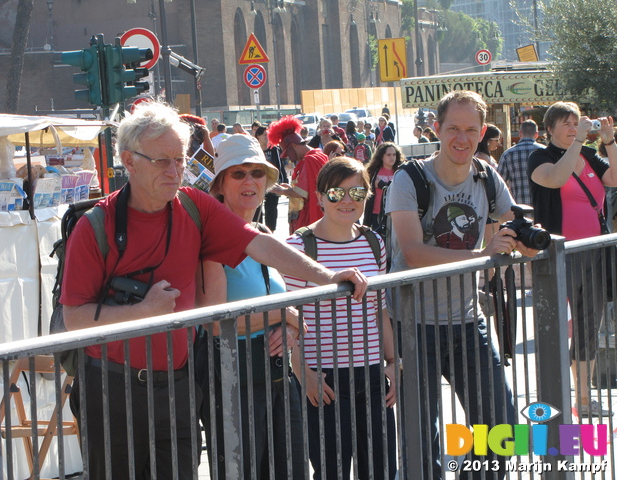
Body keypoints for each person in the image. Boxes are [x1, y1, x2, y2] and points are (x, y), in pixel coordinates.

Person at [60, 102, 368, 480]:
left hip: (178, 384)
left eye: (180, 159)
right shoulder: (95, 226)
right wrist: (145, 310)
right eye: (163, 162)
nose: (175, 171)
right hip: (110, 388)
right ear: (130, 160)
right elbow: (74, 319)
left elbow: (259, 244)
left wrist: (328, 278)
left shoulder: (194, 206)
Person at [386, 90, 539, 479]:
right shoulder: (410, 178)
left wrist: (529, 239)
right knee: (423, 444)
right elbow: (414, 252)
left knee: (502, 430)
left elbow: (521, 235)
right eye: (453, 127)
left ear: (483, 132)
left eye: (471, 129)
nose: (462, 137)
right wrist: (486, 254)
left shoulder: (486, 176)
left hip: (467, 320)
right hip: (412, 325)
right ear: (436, 128)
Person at [198, 134, 306, 479]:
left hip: (277, 376)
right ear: (220, 184)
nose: (250, 182)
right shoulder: (211, 241)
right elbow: (214, 322)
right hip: (233, 382)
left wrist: (291, 325)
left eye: (257, 173)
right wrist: (281, 315)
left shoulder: (264, 233)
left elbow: (286, 307)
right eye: (238, 173)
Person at [285, 156, 397, 480]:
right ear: (319, 197)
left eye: (357, 193)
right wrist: (302, 372)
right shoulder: (299, 247)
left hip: (373, 376)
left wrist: (393, 362)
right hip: (325, 380)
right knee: (331, 471)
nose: (347, 201)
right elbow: (286, 318)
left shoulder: (374, 243)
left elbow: (380, 309)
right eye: (336, 193)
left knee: (381, 470)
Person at [528, 101, 617, 418]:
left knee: (588, 330)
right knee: (556, 329)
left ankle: (583, 399)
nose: (572, 128)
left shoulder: (589, 156)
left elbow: (614, 178)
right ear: (549, 128)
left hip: (593, 255)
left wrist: (608, 140)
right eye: (565, 123)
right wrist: (578, 141)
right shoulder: (540, 156)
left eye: (577, 122)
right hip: (559, 257)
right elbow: (553, 179)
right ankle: (553, 401)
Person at [269, 116, 329, 233]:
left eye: (287, 152)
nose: (287, 157)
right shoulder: (318, 155)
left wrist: (279, 190)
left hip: (308, 218)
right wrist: (290, 189)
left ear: (294, 146)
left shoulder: (310, 160)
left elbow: (303, 192)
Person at [497, 120, 545, 206]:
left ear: (520, 133)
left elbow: (499, 183)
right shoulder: (545, 152)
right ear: (536, 134)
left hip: (518, 208)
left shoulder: (508, 154)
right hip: (542, 206)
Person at [363, 142, 403, 232]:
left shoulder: (401, 172)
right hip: (375, 214)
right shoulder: (373, 172)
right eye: (388, 155)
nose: (392, 157)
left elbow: (400, 190)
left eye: (394, 154)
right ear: (381, 156)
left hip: (394, 213)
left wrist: (382, 185)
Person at [254, 125, 288, 231]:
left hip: (272, 182)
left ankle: (270, 230)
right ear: (258, 136)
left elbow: (279, 166)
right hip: (258, 183)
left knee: (271, 208)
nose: (267, 137)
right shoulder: (254, 149)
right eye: (264, 135)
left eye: (268, 135)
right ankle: (257, 230)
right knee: (256, 208)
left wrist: (283, 180)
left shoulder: (274, 149)